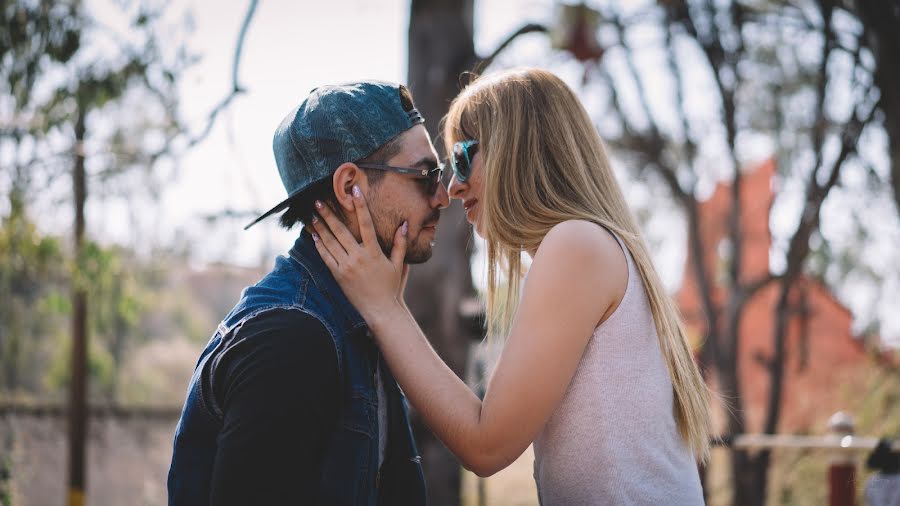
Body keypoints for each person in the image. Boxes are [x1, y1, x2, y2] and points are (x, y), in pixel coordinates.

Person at [310, 68, 712, 505]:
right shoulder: (593, 248)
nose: (453, 187)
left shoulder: (577, 246)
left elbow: (487, 444)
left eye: (462, 158)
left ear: (521, 149)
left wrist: (385, 310)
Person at [167, 80, 449, 506]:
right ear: (350, 186)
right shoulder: (293, 338)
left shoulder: (363, 318)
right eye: (426, 175)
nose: (444, 196)